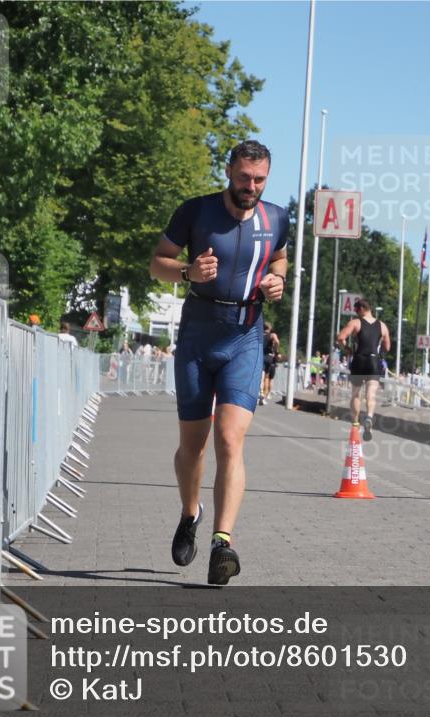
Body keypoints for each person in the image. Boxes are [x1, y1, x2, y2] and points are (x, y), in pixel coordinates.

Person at [149, 140, 288, 586]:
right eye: (245, 177)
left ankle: (221, 543)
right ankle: (191, 513)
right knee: (194, 446)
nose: (252, 187)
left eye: (260, 180)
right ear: (229, 171)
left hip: (246, 334)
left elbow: (280, 257)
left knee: (231, 438)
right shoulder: (196, 211)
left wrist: (277, 280)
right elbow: (157, 264)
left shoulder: (277, 218)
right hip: (198, 333)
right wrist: (188, 271)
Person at [336, 298, 391, 441]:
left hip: (359, 359)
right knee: (371, 394)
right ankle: (369, 417)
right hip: (374, 360)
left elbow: (340, 337)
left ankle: (355, 424)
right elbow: (387, 347)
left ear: (361, 309)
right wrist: (381, 353)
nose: (355, 312)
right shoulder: (382, 326)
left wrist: (347, 349)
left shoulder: (355, 323)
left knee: (355, 394)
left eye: (356, 310)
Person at [261, 322, 280, 404]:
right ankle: (264, 396)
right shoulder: (271, 335)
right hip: (269, 357)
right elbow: (277, 341)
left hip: (261, 356)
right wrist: (275, 349)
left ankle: (260, 393)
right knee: (267, 378)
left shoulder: (259, 334)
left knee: (261, 376)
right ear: (270, 328)